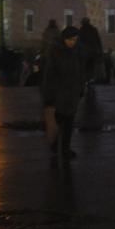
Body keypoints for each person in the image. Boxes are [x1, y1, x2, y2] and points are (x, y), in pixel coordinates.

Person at [41, 26, 85, 160]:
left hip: (72, 94)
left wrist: (81, 88)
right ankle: (59, 147)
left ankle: (63, 148)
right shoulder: (56, 52)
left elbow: (79, 72)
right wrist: (49, 96)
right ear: (64, 39)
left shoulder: (76, 52)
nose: (73, 42)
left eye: (75, 40)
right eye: (71, 39)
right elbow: (50, 75)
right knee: (62, 122)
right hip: (60, 93)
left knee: (68, 123)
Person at [77, 17, 103, 84]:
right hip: (93, 53)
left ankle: (87, 80)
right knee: (91, 67)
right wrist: (100, 51)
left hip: (85, 53)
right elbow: (98, 41)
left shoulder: (81, 31)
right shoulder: (93, 30)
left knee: (85, 67)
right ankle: (90, 79)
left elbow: (78, 42)